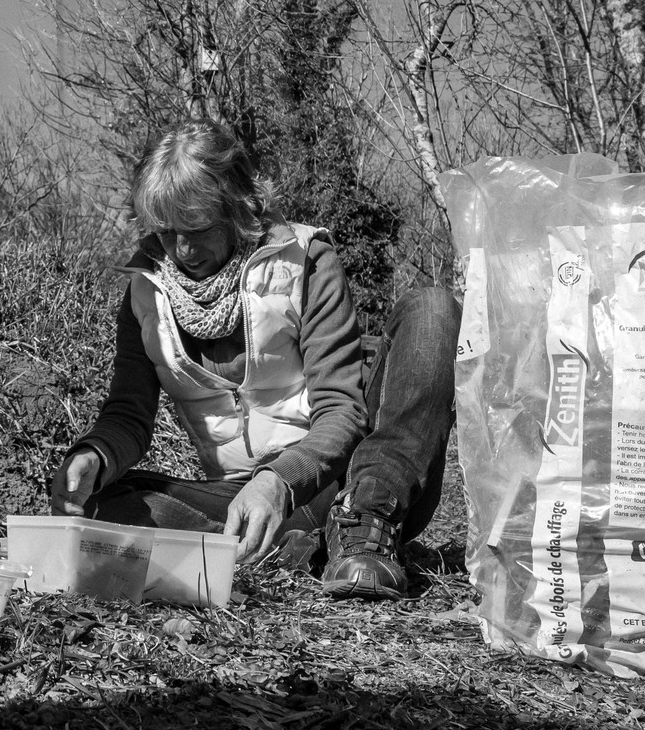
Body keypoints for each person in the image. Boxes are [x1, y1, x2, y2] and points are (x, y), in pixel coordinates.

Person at [50, 121, 459, 600]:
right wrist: (94, 456)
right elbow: (127, 415)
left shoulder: (307, 258)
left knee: (432, 309)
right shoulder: (145, 291)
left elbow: (342, 409)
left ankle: (364, 524)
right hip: (237, 496)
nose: (182, 250)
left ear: (236, 208)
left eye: (198, 228)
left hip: (347, 476)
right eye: (165, 232)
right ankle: (306, 548)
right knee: (97, 504)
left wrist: (278, 480)